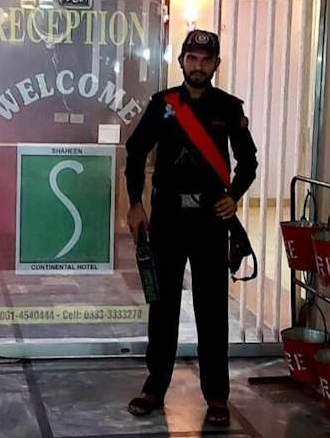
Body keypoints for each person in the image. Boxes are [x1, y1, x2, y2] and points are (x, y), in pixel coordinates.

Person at [124, 29, 258, 426]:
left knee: (212, 310)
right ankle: (154, 387)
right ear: (181, 61)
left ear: (216, 64)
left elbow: (248, 161)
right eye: (192, 58)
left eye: (206, 60)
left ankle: (216, 396)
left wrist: (234, 195)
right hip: (167, 219)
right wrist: (135, 203)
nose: (198, 66)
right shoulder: (162, 104)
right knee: (162, 306)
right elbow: (135, 151)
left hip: (210, 221)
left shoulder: (229, 108)